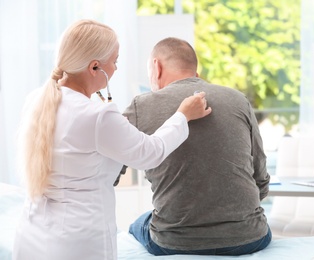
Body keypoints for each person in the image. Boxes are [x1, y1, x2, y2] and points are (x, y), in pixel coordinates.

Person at [12, 21, 211, 260]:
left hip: (31, 234)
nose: (116, 68)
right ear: (95, 67)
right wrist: (183, 115)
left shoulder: (36, 100)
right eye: (115, 61)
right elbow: (150, 152)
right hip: (77, 244)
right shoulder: (97, 115)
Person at [123, 37, 272, 256]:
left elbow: (110, 168)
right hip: (249, 237)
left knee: (137, 224)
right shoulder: (238, 100)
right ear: (196, 72)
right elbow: (260, 176)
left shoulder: (140, 106)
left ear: (156, 67)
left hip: (173, 241)